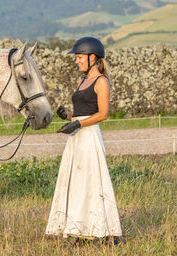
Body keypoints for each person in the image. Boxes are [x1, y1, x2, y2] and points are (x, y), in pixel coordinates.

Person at [45, 37, 122, 242]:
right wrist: (68, 116)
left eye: (79, 57)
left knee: (92, 181)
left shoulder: (101, 82)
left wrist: (78, 124)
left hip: (89, 136)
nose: (76, 61)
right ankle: (76, 227)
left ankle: (102, 229)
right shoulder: (82, 81)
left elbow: (103, 114)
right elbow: (81, 112)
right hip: (76, 135)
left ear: (92, 57)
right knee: (75, 181)